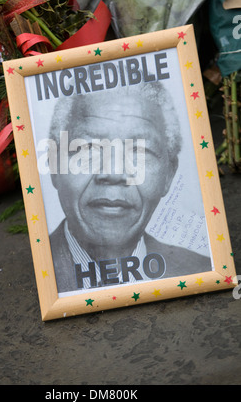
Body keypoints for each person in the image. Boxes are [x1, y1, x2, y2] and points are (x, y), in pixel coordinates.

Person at [47, 79, 212, 293]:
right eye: (88, 147)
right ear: (54, 165)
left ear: (168, 175)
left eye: (139, 151)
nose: (114, 173)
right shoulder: (41, 281)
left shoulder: (198, 271)